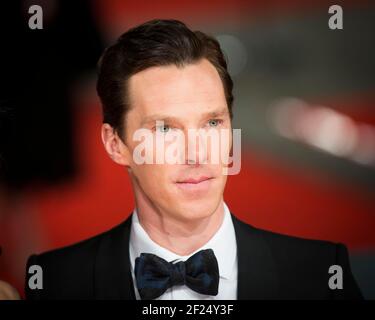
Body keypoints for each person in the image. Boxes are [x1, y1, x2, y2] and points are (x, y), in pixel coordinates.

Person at [25, 19, 362, 300]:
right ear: (116, 144)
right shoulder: (55, 283)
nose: (197, 152)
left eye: (212, 123)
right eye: (165, 128)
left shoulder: (321, 275)